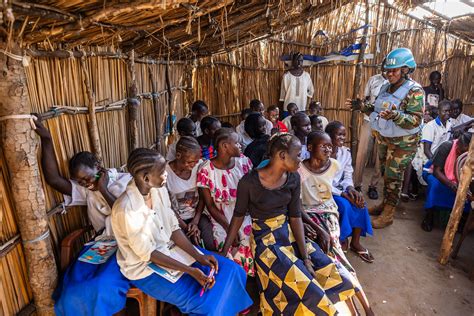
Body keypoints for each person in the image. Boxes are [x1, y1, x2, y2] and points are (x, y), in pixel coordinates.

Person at [220, 133, 360, 315]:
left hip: (289, 234)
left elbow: (295, 217)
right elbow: (238, 217)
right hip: (266, 243)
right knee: (309, 290)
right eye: (298, 154)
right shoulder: (248, 183)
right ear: (282, 155)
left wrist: (306, 257)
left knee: (336, 276)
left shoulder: (292, 179)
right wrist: (225, 251)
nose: (301, 159)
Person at [111, 148, 252, 315]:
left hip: (171, 251)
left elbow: (173, 229)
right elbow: (149, 254)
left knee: (232, 270)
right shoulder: (126, 209)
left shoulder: (158, 190)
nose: (166, 175)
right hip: (145, 268)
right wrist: (190, 270)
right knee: (204, 303)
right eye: (162, 172)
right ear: (146, 178)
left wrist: (198, 256)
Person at [33, 120, 131, 315]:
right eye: (81, 182)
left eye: (89, 178)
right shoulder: (87, 190)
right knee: (72, 286)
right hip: (102, 245)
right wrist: (47, 140)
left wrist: (102, 187)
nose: (87, 184)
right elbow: (53, 179)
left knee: (99, 285)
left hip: (128, 244)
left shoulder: (125, 182)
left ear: (98, 166)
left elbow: (125, 216)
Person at [347, 47, 425, 229]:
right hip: (386, 139)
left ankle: (389, 213)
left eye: (394, 70)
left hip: (403, 143)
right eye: (388, 70)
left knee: (393, 175)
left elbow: (415, 120)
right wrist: (362, 106)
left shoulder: (415, 91)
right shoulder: (385, 87)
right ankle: (386, 204)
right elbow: (376, 109)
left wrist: (396, 116)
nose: (389, 74)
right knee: (384, 172)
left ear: (405, 70)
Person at [299, 131, 375, 315]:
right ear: (309, 148)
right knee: (333, 259)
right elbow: (299, 204)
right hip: (310, 215)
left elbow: (330, 189)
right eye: (322, 145)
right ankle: (359, 307)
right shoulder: (299, 170)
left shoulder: (334, 164)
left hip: (329, 214)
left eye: (329, 146)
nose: (328, 149)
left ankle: (362, 308)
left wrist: (347, 190)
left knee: (334, 257)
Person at [197, 128, 255, 276]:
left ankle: (247, 278)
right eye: (236, 142)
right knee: (224, 243)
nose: (240, 145)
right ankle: (232, 279)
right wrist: (229, 228)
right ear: (224, 146)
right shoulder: (206, 170)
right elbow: (210, 206)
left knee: (248, 238)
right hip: (220, 217)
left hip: (244, 213)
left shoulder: (244, 163)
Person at [325, 121, 374, 263]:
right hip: (326, 192)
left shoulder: (344, 153)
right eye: (339, 135)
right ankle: (342, 238)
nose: (342, 138)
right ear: (329, 136)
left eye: (344, 135)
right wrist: (342, 194)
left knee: (360, 202)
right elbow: (320, 181)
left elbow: (347, 175)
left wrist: (351, 189)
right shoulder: (322, 153)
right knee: (345, 205)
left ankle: (355, 242)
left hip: (341, 189)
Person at [166, 136, 215, 250]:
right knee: (188, 248)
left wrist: (195, 221)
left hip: (198, 214)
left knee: (209, 244)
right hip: (175, 219)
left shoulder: (199, 167)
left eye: (196, 161)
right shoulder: (164, 173)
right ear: (178, 156)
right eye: (189, 162)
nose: (193, 165)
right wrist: (187, 228)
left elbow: (203, 197)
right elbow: (168, 207)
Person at [421, 132, 473, 232]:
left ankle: (462, 219)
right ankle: (429, 216)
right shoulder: (447, 146)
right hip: (436, 172)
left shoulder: (471, 153)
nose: (465, 153)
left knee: (467, 192)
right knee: (436, 186)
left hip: (458, 176)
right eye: (464, 149)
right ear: (460, 144)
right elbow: (436, 171)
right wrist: (452, 185)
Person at [402, 100, 452, 200]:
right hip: (429, 158)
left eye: (449, 111)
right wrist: (437, 163)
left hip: (440, 158)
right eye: (444, 111)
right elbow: (427, 151)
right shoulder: (430, 126)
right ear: (438, 111)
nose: (447, 113)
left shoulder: (449, 124)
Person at [353, 72, 387, 199]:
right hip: (369, 119)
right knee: (362, 153)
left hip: (384, 123)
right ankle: (357, 184)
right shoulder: (373, 80)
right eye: (384, 66)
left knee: (380, 155)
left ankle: (373, 186)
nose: (386, 70)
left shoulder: (394, 84)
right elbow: (365, 98)